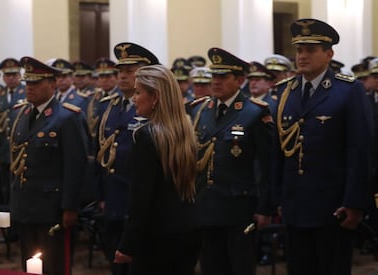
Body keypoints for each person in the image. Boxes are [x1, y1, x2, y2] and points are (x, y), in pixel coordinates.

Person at [273, 18, 373, 275]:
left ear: (329, 54)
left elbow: (359, 151)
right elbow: (280, 153)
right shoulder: (287, 92)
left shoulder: (348, 91)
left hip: (333, 205)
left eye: (310, 50)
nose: (302, 56)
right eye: (299, 50)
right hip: (295, 205)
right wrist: (278, 198)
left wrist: (354, 203)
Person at [189, 47, 275, 275]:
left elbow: (266, 164)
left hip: (240, 207)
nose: (215, 82)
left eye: (222, 77)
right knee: (211, 266)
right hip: (207, 204)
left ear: (239, 80)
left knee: (240, 266)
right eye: (213, 76)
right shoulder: (200, 110)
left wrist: (265, 207)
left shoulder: (254, 113)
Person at [114, 64, 200, 275]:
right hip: (187, 231)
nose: (134, 98)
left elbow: (141, 198)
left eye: (138, 92)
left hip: (155, 237)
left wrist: (127, 244)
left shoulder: (146, 135)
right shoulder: (185, 129)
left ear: (155, 97)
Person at [9, 56, 88, 275]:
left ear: (52, 85)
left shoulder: (67, 117)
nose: (29, 88)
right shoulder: (21, 114)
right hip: (26, 205)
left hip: (52, 208)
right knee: (29, 263)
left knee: (54, 265)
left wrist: (70, 207)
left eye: (35, 83)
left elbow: (75, 167)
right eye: (28, 83)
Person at [95, 42, 158, 275]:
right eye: (120, 71)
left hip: (139, 200)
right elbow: (99, 154)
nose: (122, 76)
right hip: (113, 198)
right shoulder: (108, 107)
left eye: (130, 72)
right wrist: (101, 195)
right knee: (116, 262)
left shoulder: (154, 109)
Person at [0, 58, 26, 206]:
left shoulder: (26, 92)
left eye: (14, 75)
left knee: (21, 188)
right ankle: (8, 222)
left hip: (21, 150)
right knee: (5, 187)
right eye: (8, 75)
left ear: (19, 75)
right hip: (3, 150)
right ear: (3, 77)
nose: (11, 78)